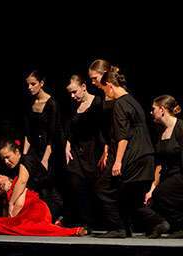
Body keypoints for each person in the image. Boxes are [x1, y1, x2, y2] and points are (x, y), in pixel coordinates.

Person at [94, 69, 156, 238]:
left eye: (104, 89)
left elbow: (123, 136)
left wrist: (118, 161)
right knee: (127, 195)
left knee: (104, 188)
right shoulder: (133, 101)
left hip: (133, 155)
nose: (105, 93)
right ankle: (146, 225)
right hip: (146, 154)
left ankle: (119, 228)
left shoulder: (120, 104)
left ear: (109, 85)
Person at [0, 175, 87, 236]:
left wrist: (10, 205)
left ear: (7, 177)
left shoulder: (17, 182)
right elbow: (8, 220)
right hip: (22, 217)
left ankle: (73, 231)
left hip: (36, 209)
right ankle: (55, 226)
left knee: (32, 226)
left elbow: (17, 208)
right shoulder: (6, 199)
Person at [63, 74, 104, 230]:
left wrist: (106, 149)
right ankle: (83, 221)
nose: (73, 96)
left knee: (93, 185)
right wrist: (67, 144)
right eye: (70, 93)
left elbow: (104, 129)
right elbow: (69, 128)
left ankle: (96, 222)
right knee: (76, 184)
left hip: (93, 150)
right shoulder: (74, 105)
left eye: (75, 92)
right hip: (76, 150)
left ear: (84, 87)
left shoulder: (98, 102)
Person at [142, 95, 182, 238]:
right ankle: (172, 227)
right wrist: (152, 188)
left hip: (180, 174)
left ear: (162, 109)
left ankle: (179, 225)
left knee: (162, 194)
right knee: (151, 198)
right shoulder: (161, 131)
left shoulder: (181, 128)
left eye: (153, 109)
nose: (151, 112)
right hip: (168, 174)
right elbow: (159, 164)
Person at [0, 139, 62, 222]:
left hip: (48, 203)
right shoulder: (13, 169)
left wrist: (11, 203)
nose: (6, 161)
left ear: (17, 152)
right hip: (35, 204)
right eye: (3, 159)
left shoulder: (26, 160)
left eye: (7, 157)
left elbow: (22, 182)